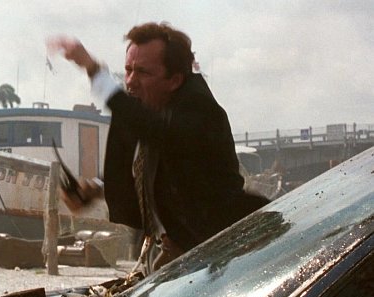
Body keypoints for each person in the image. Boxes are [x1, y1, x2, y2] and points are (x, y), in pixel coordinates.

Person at [48, 22, 268, 274]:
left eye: (143, 72)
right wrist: (96, 189)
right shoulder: (155, 107)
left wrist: (93, 69)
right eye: (128, 70)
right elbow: (154, 166)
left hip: (220, 257)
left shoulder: (198, 110)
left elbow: (155, 131)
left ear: (174, 80)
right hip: (175, 253)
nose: (131, 82)